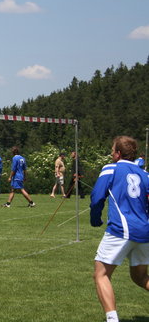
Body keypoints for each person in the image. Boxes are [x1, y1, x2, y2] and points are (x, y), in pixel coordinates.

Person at [90, 136, 149, 322]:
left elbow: (97, 196)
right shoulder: (144, 174)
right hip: (144, 231)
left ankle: (112, 319)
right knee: (140, 277)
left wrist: (95, 218)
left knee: (101, 274)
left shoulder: (111, 168)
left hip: (121, 229)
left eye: (112, 149)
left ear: (117, 153)